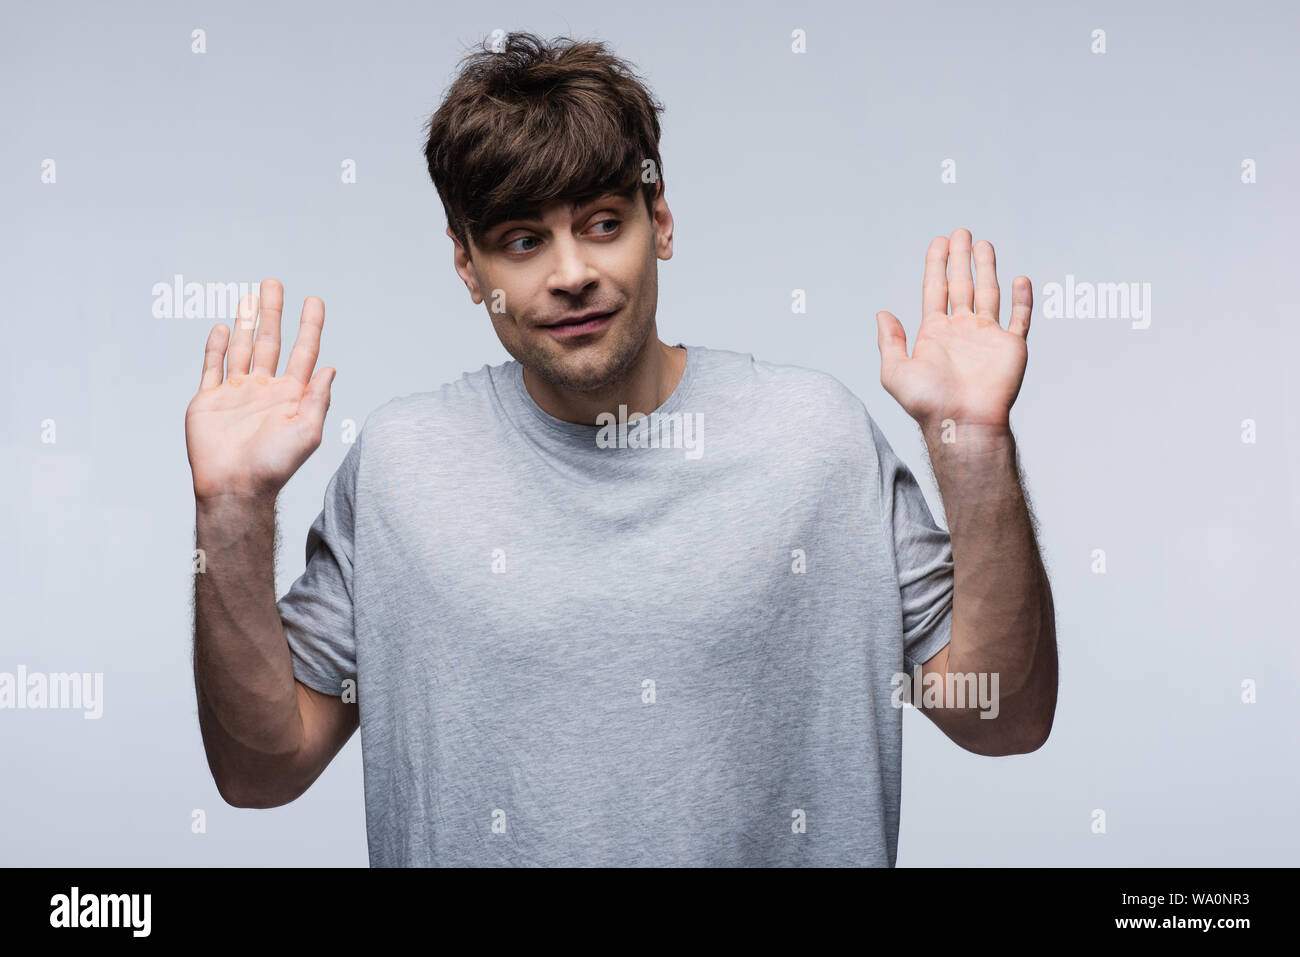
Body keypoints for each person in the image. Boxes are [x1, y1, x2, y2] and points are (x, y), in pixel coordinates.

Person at [186, 32, 1057, 867]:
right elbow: (260, 770)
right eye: (522, 241)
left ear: (660, 222)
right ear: (468, 268)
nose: (571, 273)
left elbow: (1006, 718)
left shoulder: (815, 441)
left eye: (603, 223)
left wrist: (975, 446)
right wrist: (230, 510)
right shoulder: (401, 469)